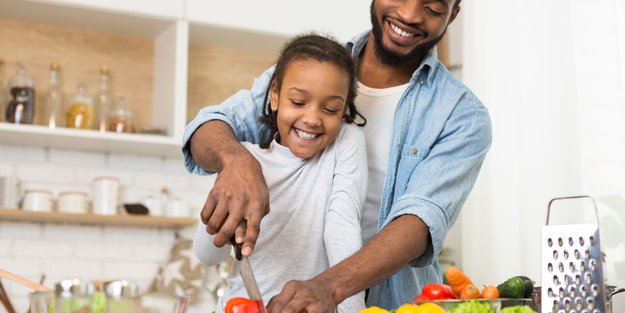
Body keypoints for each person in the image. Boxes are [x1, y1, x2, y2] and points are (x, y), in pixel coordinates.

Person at [183, 0, 492, 312]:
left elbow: (419, 221)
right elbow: (210, 125)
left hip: (391, 304)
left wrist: (332, 290)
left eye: (433, 8)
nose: (410, 15)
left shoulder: (461, 115)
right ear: (275, 95)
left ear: (452, 14)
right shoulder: (308, 63)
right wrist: (235, 163)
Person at [192, 34, 368, 313]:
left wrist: (355, 311)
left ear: (344, 109)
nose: (311, 119)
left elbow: (342, 230)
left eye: (330, 108)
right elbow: (206, 256)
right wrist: (222, 219)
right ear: (274, 96)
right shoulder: (245, 160)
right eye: (298, 102)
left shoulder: (345, 143)